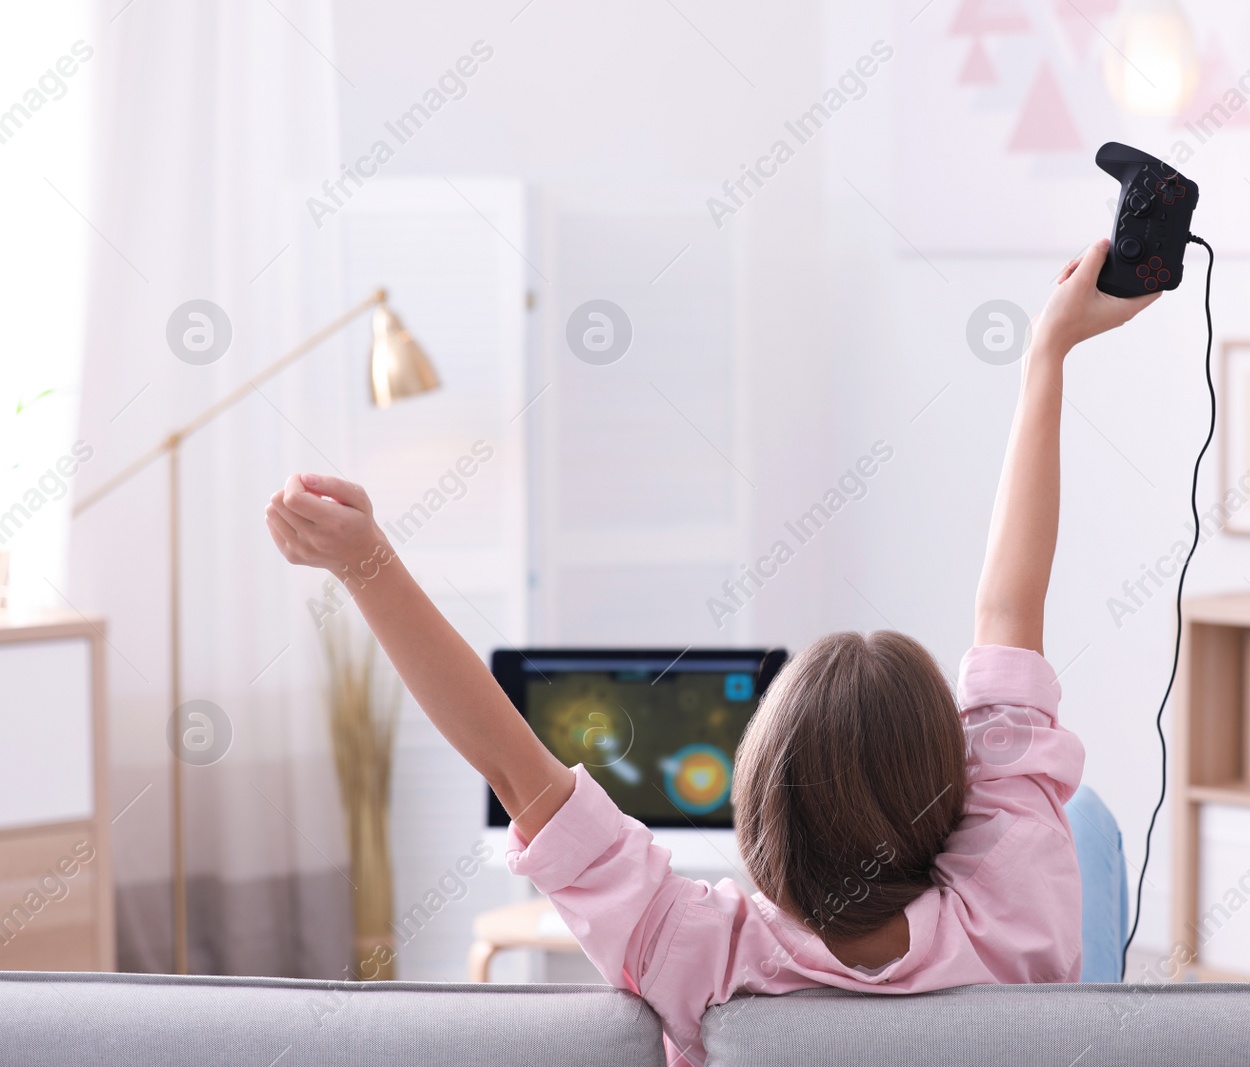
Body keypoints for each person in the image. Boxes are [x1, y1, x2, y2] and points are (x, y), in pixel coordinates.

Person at [264, 237, 1159, 1064]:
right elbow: (1009, 607)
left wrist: (363, 562)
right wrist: (1048, 351)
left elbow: (509, 761)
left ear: (763, 804)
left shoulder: (704, 954)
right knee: (1085, 827)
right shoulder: (1016, 910)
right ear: (954, 801)